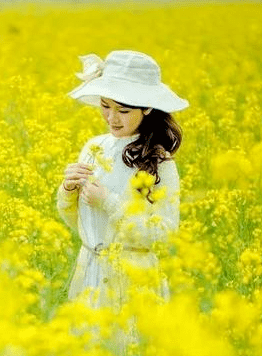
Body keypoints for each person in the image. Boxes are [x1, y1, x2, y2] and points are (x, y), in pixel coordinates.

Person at [57, 50, 188, 341]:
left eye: (123, 111)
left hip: (133, 279)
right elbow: (80, 222)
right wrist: (68, 191)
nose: (111, 118)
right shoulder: (94, 146)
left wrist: (109, 203)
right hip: (89, 273)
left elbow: (164, 233)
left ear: (147, 109)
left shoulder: (159, 162)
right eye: (105, 106)